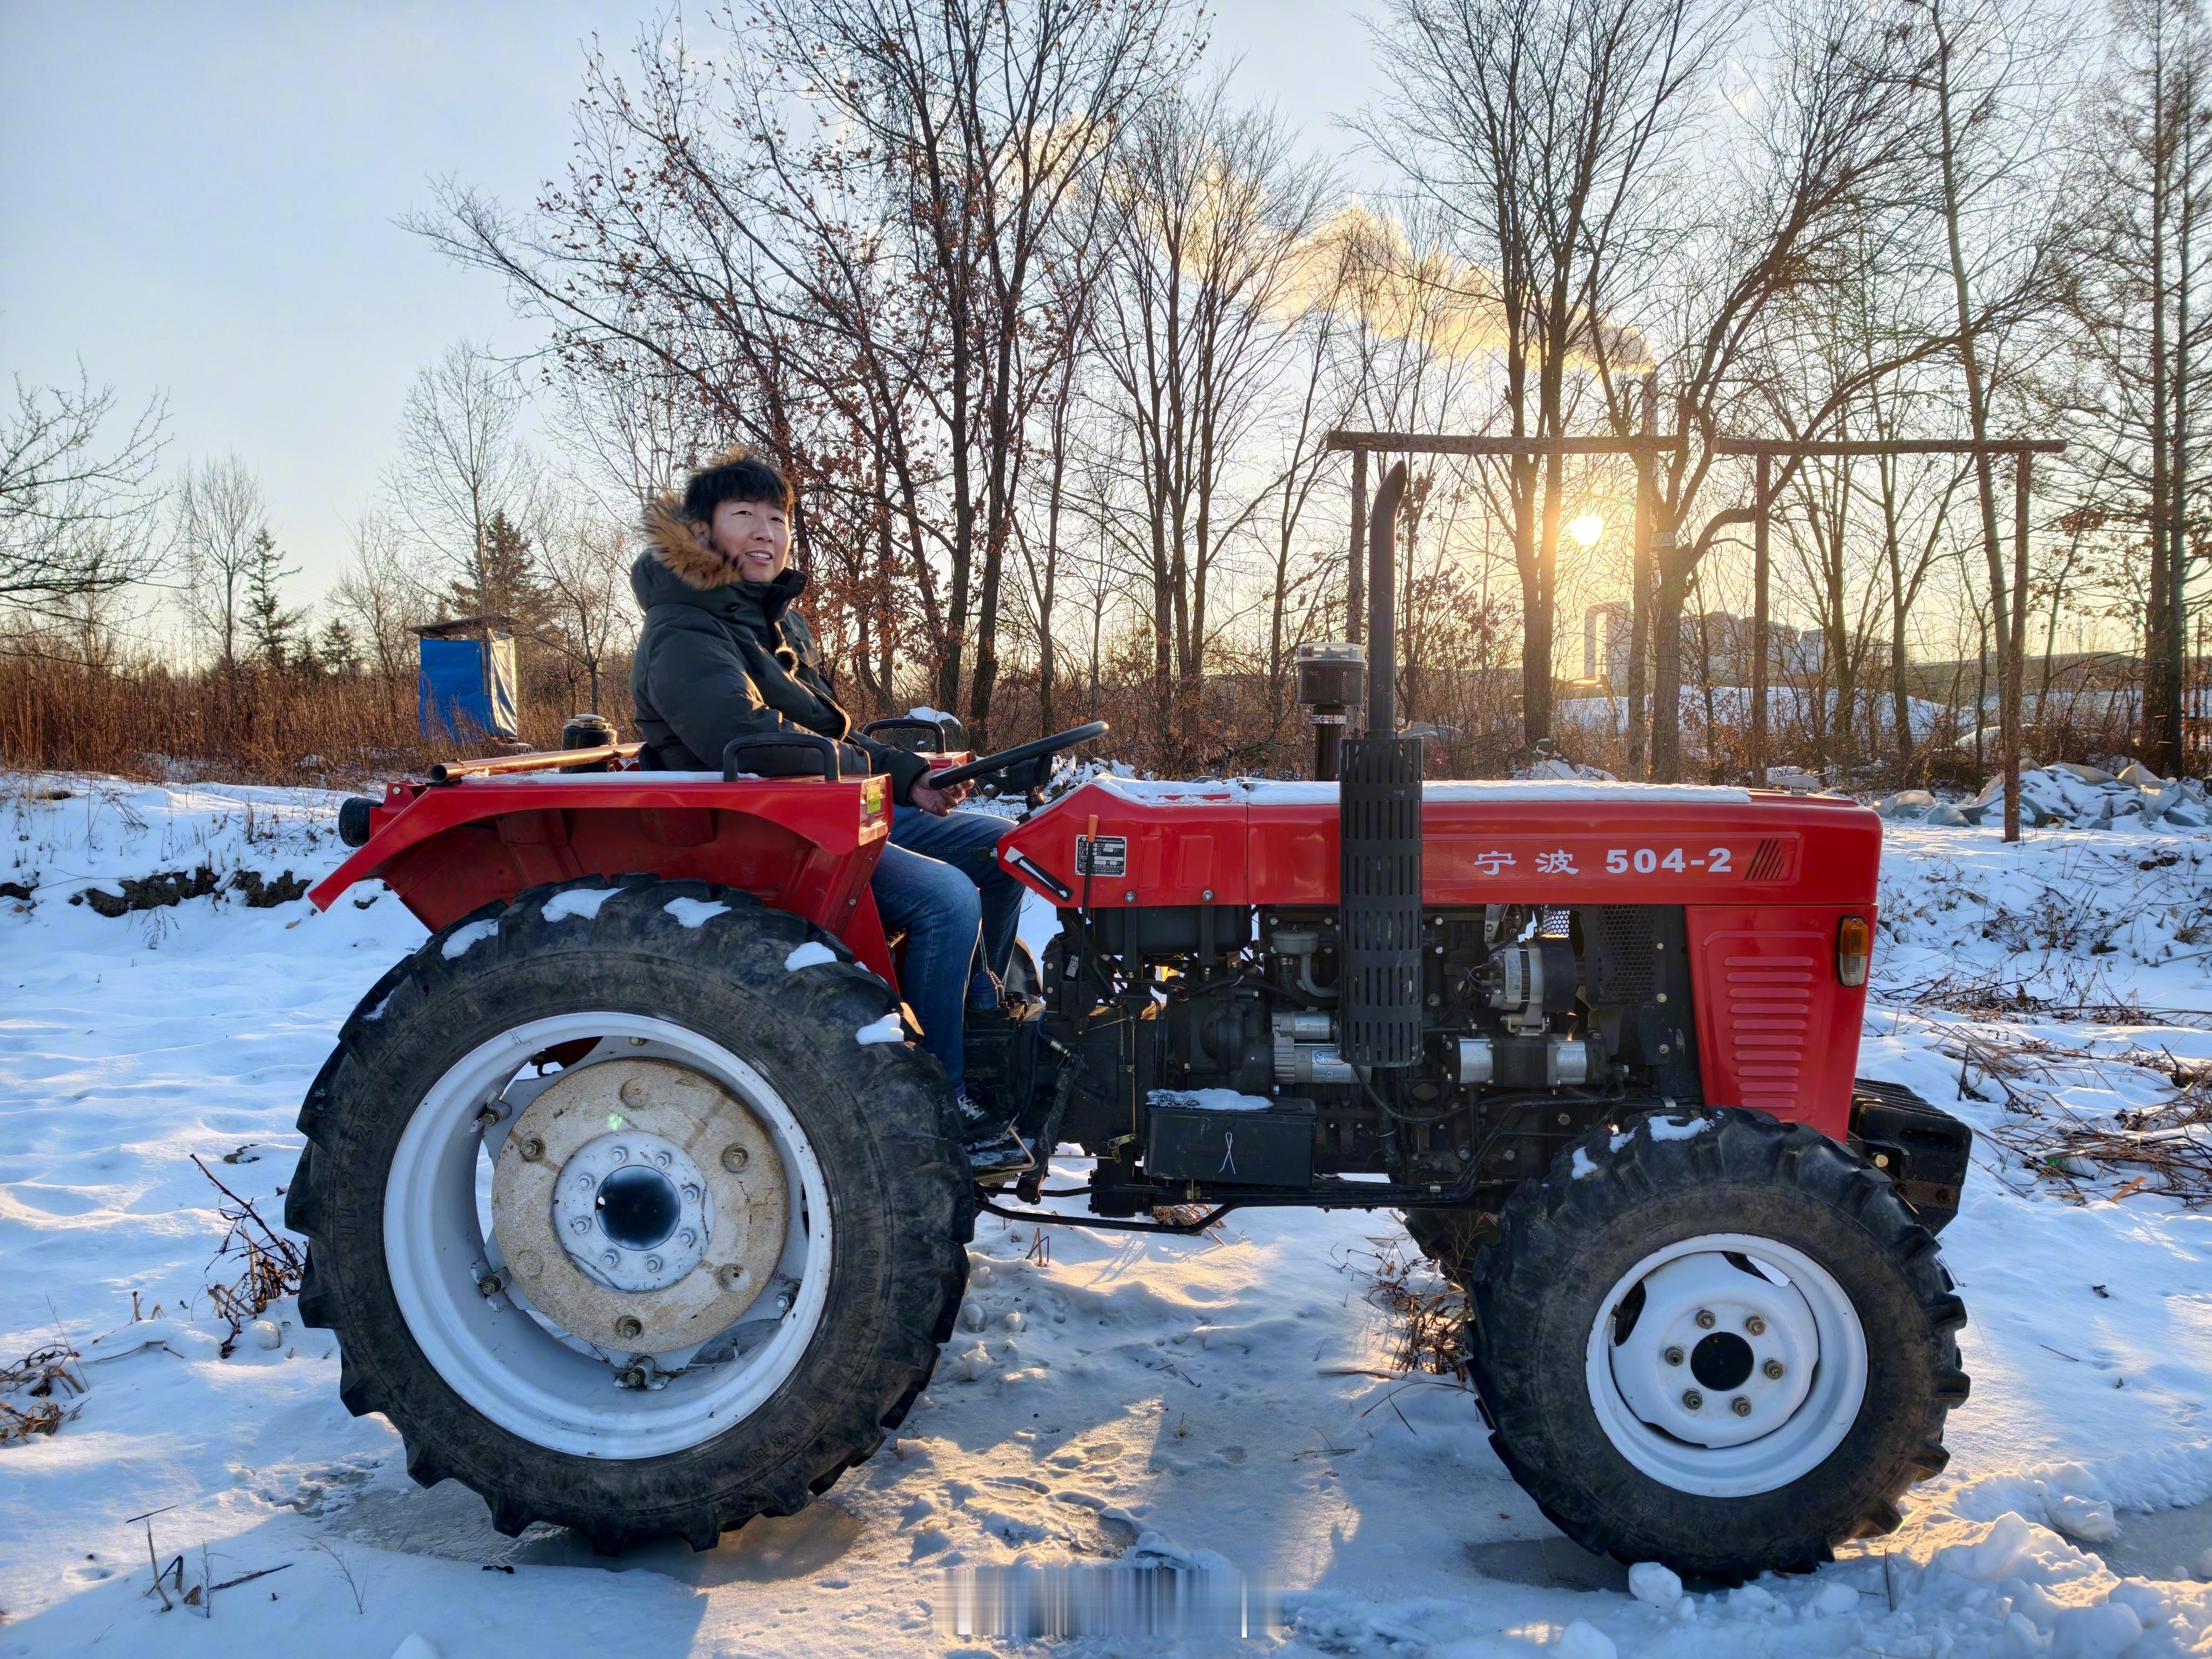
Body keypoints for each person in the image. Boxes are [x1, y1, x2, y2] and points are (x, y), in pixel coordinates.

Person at [629, 447, 1029, 1170]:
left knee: (1002, 851)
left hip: (824, 809)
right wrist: (870, 778)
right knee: (946, 897)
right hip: (762, 832)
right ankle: (943, 1097)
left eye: (777, 517)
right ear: (702, 532)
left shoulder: (762, 625)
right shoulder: (686, 631)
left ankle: (977, 1017)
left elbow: (826, 736)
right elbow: (752, 744)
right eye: (743, 515)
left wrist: (909, 778)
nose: (766, 532)